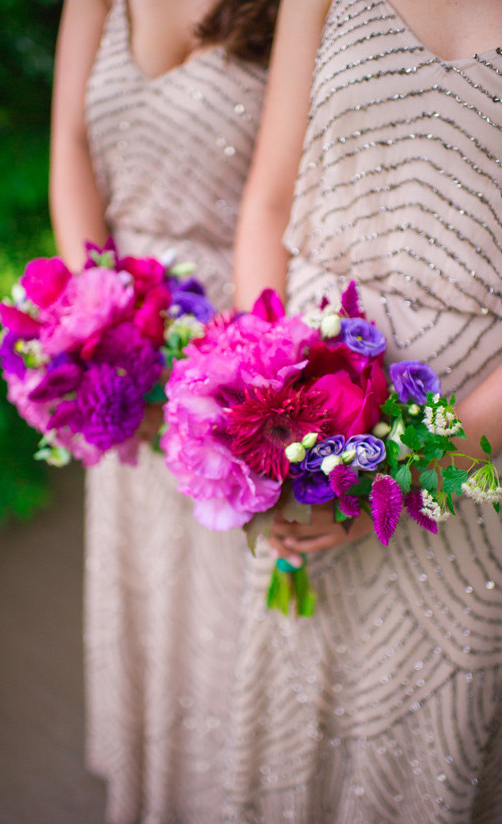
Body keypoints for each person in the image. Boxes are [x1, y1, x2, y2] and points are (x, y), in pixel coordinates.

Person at [225, 0, 502, 821]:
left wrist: (406, 473)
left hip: (473, 463)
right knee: (294, 699)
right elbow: (268, 202)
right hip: (301, 403)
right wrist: (270, 407)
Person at [49, 1, 279, 822]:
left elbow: (284, 194)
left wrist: (235, 368)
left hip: (230, 338)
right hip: (118, 338)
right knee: (143, 588)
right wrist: (103, 321)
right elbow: (71, 145)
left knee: (228, 606)